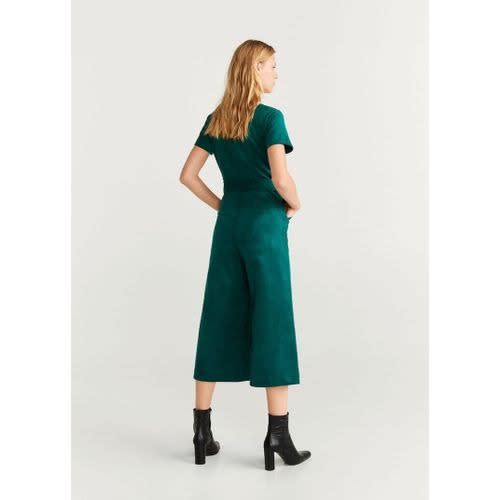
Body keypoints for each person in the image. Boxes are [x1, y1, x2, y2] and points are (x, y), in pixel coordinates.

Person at [179, 39, 311, 470]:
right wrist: (295, 203)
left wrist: (224, 206)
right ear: (255, 69)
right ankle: (278, 436)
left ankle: (201, 431)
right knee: (273, 319)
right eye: (271, 66)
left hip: (230, 227)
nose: (276, 73)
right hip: (265, 228)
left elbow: (188, 175)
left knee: (217, 316)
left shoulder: (217, 118)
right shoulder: (271, 118)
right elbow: (280, 177)